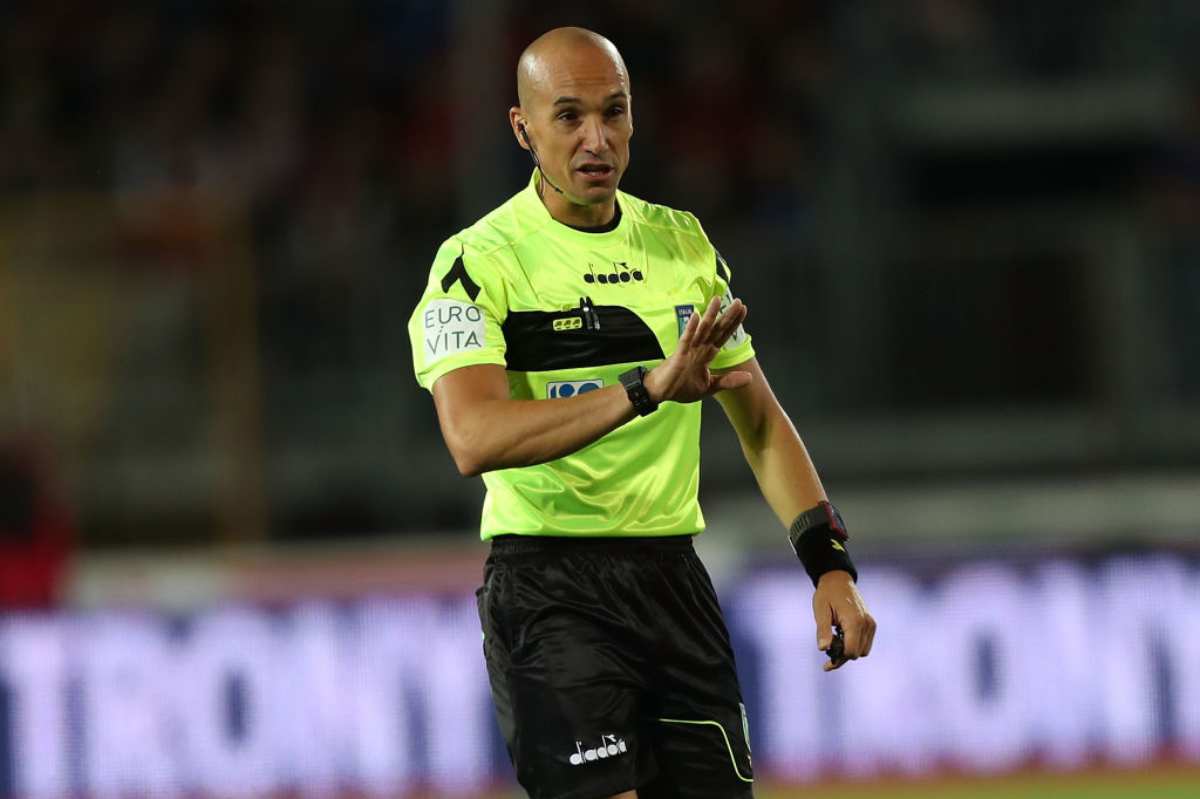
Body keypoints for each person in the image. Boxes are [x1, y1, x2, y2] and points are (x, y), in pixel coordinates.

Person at [407, 27, 876, 799]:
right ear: (523, 129)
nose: (597, 139)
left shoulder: (682, 246)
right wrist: (646, 388)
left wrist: (828, 563)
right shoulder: (477, 263)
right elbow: (472, 436)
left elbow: (759, 417)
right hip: (550, 585)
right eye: (569, 116)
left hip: (672, 582)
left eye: (613, 112)